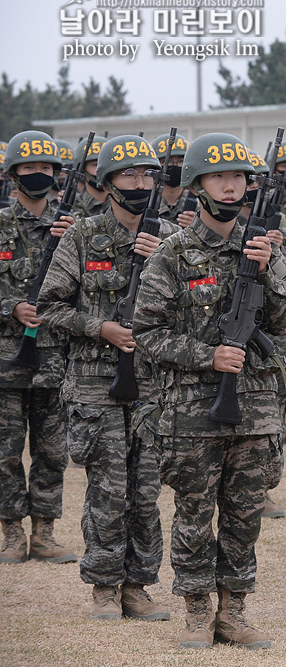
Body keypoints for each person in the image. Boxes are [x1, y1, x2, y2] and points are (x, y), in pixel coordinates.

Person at [132, 132, 286, 650]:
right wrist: (208, 356)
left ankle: (235, 611)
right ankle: (197, 612)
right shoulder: (174, 255)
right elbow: (147, 332)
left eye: (239, 178)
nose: (231, 187)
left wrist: (269, 272)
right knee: (194, 512)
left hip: (255, 410)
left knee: (245, 514)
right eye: (219, 177)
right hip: (192, 412)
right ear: (198, 184)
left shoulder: (265, 249)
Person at [38, 134, 178, 620]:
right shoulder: (81, 235)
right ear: (108, 182)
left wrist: (164, 258)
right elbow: (50, 306)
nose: (140, 184)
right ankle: (103, 585)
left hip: (154, 385)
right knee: (107, 489)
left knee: (145, 490)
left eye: (147, 175)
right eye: (128, 175)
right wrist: (101, 328)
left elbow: (194, 311)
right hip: (96, 383)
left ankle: (138, 585)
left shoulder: (171, 239)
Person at [0, 131, 77, 566]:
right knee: (5, 452)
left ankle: (44, 533)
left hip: (54, 361)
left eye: (46, 168)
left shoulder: (71, 228)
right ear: (14, 175)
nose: (39, 175)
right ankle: (11, 535)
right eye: (30, 168)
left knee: (52, 452)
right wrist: (13, 306)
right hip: (5, 362)